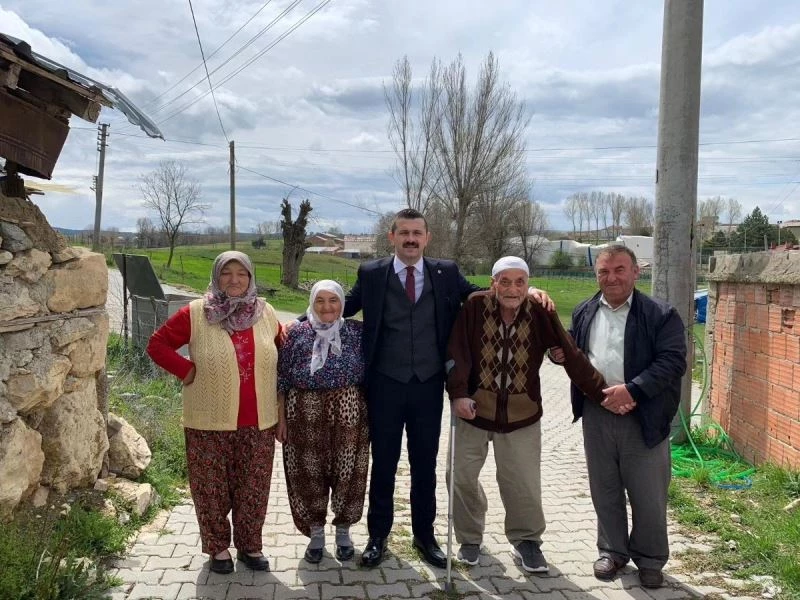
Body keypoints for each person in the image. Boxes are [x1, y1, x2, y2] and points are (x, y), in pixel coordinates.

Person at [339, 208, 553, 569]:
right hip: (384, 385)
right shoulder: (372, 273)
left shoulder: (446, 272)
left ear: (427, 237)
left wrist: (528, 290)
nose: (410, 239)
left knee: (425, 465)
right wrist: (297, 323)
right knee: (384, 464)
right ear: (392, 237)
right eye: (403, 232)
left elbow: (483, 295)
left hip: (427, 385)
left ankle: (425, 536)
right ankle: (378, 537)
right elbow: (341, 307)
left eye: (417, 233)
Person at [445, 256, 606, 573]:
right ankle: (469, 538)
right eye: (505, 281)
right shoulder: (475, 306)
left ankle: (527, 541)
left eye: (520, 282)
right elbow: (457, 352)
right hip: (474, 413)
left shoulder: (539, 310)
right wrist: (459, 394)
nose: (512, 288)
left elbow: (567, 350)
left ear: (528, 284)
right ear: (493, 283)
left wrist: (602, 393)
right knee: (460, 477)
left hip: (522, 416)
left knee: (523, 484)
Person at [146, 251, 282, 574]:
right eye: (227, 273)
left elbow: (286, 349)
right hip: (207, 419)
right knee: (211, 488)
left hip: (260, 420)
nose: (234, 280)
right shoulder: (196, 313)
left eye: (242, 274)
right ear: (216, 276)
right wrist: (187, 370)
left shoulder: (266, 313)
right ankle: (218, 548)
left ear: (251, 279)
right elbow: (157, 345)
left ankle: (250, 545)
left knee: (254, 488)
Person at [568, 245, 686, 589]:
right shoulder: (584, 311)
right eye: (604, 271)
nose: (611, 277)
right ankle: (612, 551)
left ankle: (650, 559)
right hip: (597, 411)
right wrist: (557, 353)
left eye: (620, 269)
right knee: (604, 487)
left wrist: (632, 390)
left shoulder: (660, 314)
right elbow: (576, 355)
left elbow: (673, 361)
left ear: (636, 272)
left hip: (644, 413)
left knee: (648, 492)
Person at [276, 280, 369, 564]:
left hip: (349, 411)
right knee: (307, 475)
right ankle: (316, 534)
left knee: (349, 475)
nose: (327, 307)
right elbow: (280, 378)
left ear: (342, 303)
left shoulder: (356, 332)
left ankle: (343, 532)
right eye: (320, 301)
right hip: (303, 412)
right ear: (312, 304)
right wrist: (280, 419)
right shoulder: (295, 334)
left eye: (333, 300)